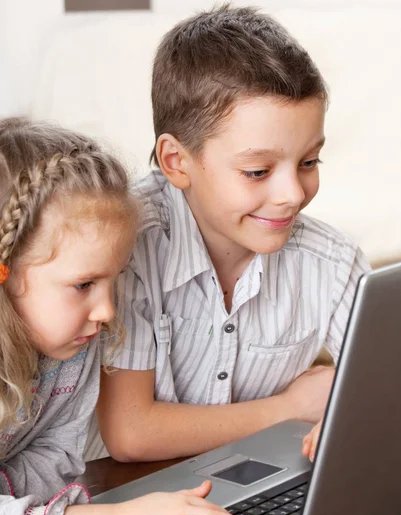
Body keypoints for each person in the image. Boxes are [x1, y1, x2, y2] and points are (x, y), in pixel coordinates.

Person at [92, 5, 370, 463]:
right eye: (258, 170)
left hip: (253, 490)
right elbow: (131, 432)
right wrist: (291, 409)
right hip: (126, 498)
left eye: (308, 162)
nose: (292, 194)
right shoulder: (126, 249)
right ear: (177, 162)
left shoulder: (331, 262)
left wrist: (356, 413)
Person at [0, 117, 253, 515]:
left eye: (112, 281)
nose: (106, 311)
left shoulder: (71, 349)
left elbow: (54, 455)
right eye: (83, 285)